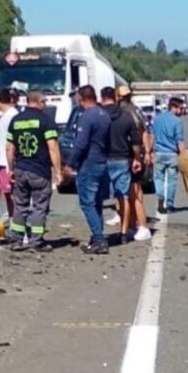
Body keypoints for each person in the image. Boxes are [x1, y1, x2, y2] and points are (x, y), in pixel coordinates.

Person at [6, 91, 63, 252]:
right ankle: (36, 240)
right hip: (39, 170)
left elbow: (9, 147)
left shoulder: (16, 120)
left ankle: (17, 239)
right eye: (44, 102)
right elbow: (53, 147)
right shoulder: (46, 120)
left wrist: (11, 169)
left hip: (21, 169)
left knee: (20, 205)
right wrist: (58, 171)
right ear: (40, 102)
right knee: (39, 206)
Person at [65, 85, 112, 255]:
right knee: (97, 202)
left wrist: (70, 163)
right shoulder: (104, 115)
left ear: (81, 98)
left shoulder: (86, 116)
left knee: (87, 202)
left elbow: (80, 144)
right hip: (101, 161)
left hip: (89, 163)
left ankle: (99, 239)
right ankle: (97, 236)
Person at [101, 87, 150, 243]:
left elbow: (142, 134)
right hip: (129, 157)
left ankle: (137, 225)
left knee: (130, 194)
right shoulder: (134, 112)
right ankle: (130, 225)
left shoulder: (124, 113)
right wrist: (145, 153)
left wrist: (142, 154)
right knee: (130, 194)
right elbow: (145, 133)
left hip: (125, 157)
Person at [117, 86, 151, 231]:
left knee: (129, 192)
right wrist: (148, 151)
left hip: (129, 153)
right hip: (139, 152)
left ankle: (133, 222)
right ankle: (136, 220)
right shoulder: (137, 111)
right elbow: (145, 132)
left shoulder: (121, 113)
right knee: (136, 190)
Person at [152, 97, 185, 214]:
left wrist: (149, 152)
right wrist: (184, 156)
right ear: (174, 107)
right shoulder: (177, 122)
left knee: (158, 178)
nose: (182, 111)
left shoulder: (157, 119)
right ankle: (170, 205)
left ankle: (160, 197)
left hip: (158, 153)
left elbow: (152, 136)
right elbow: (179, 141)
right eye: (180, 108)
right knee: (172, 180)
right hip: (172, 155)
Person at [0, 88, 18, 220]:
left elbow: (12, 143)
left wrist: (11, 165)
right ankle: (14, 222)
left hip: (7, 162)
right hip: (1, 161)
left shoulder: (12, 116)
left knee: (13, 194)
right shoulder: (5, 115)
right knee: (7, 194)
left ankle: (20, 226)